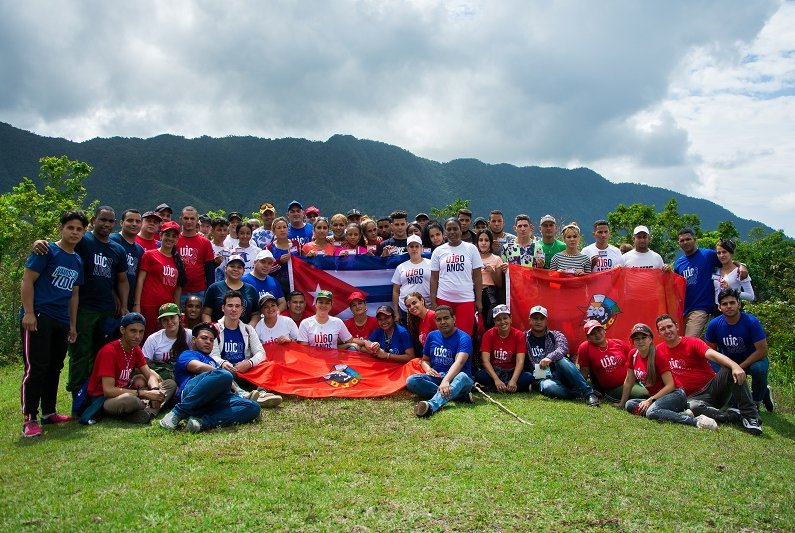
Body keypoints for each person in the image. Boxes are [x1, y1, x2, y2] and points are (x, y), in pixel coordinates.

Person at [32, 206, 129, 414]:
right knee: (80, 354)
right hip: (83, 307)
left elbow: (121, 279)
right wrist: (38, 243)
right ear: (94, 220)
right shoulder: (83, 241)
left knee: (101, 354)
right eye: (102, 220)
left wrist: (125, 304)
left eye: (110, 221)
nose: (106, 224)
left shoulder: (117, 249)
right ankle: (76, 397)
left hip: (106, 310)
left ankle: (94, 395)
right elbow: (59, 245)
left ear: (114, 224)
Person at [20, 210, 87, 437]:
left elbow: (74, 294)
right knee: (36, 367)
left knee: (54, 367)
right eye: (71, 227)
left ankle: (49, 413)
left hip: (61, 319)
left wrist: (72, 324)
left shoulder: (77, 259)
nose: (75, 232)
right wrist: (29, 312)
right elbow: (28, 280)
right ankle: (29, 418)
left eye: (79, 229)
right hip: (40, 315)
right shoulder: (47, 250)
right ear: (62, 228)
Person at [655, 314, 762, 435]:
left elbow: (712, 354)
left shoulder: (692, 342)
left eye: (670, 326)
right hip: (692, 398)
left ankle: (751, 416)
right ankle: (732, 416)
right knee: (693, 407)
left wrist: (735, 366)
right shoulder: (658, 351)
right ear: (658, 333)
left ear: (677, 327)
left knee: (729, 369)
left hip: (713, 389)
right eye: (662, 329)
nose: (667, 331)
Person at [159, 322, 262, 433]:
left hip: (216, 400)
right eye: (204, 338)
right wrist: (226, 379)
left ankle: (201, 423)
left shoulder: (214, 361)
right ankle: (177, 414)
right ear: (194, 339)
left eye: (211, 340)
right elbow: (197, 367)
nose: (208, 342)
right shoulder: (187, 354)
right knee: (225, 375)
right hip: (192, 393)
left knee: (253, 407)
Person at [617, 323, 717, 430]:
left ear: (650, 339)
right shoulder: (633, 354)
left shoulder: (658, 355)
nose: (640, 341)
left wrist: (650, 400)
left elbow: (671, 385)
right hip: (657, 398)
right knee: (630, 404)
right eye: (637, 339)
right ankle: (678, 413)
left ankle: (695, 421)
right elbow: (629, 381)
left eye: (643, 337)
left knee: (651, 412)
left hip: (675, 394)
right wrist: (621, 403)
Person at [85, 313, 176, 424]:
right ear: (122, 330)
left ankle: (147, 412)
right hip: (107, 399)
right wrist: (144, 394)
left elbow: (149, 374)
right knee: (129, 400)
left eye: (141, 331)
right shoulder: (109, 352)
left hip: (130, 390)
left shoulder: (135, 348)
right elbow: (108, 391)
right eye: (133, 331)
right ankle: (148, 408)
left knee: (170, 384)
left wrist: (154, 390)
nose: (137, 336)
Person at [705, 289, 772, 412]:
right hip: (728, 361)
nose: (729, 306)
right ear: (720, 307)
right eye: (725, 304)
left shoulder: (751, 322)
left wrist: (739, 367)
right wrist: (728, 366)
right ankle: (728, 397)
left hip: (753, 360)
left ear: (739, 305)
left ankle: (757, 400)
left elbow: (762, 351)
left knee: (758, 370)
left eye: (732, 303)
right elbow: (710, 351)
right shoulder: (714, 324)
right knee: (733, 403)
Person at [406, 306, 474, 417]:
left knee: (461, 376)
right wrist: (428, 369)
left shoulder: (464, 337)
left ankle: (431, 406)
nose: (443, 322)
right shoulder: (432, 336)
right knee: (411, 381)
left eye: (446, 318)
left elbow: (459, 362)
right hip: (438, 377)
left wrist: (446, 381)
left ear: (454, 319)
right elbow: (425, 360)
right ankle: (459, 396)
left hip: (460, 379)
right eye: (439, 319)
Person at [524, 305, 600, 405]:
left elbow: (562, 349)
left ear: (546, 321)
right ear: (530, 320)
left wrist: (549, 357)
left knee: (562, 360)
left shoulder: (556, 335)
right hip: (540, 376)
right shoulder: (523, 337)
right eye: (535, 318)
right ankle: (578, 394)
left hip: (560, 373)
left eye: (542, 319)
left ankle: (589, 394)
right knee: (548, 387)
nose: (538, 322)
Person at [430, 217, 483, 337]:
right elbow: (434, 278)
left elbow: (478, 276)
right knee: (445, 334)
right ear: (445, 232)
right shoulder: (438, 251)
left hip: (465, 300)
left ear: (461, 230)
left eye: (455, 229)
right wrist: (433, 301)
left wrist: (478, 300)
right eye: (449, 229)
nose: (452, 232)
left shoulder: (471, 249)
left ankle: (465, 356)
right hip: (444, 299)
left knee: (465, 336)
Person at [133, 220, 186, 337]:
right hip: (148, 304)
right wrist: (137, 304)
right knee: (146, 336)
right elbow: (140, 280)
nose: (170, 239)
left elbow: (178, 289)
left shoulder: (178, 261)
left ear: (177, 240)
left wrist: (176, 312)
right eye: (167, 235)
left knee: (164, 338)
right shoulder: (150, 255)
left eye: (174, 236)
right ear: (161, 236)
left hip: (166, 308)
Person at [674, 228, 731, 337]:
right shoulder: (679, 263)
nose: (685, 242)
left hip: (701, 308)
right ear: (678, 243)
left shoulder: (708, 255)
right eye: (682, 240)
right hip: (683, 310)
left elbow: (727, 261)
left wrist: (741, 266)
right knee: (681, 342)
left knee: (689, 341)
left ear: (695, 239)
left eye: (688, 239)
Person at [209, 291, 267, 391]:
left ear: (242, 309)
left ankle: (261, 393)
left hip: (246, 370)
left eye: (237, 306)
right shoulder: (214, 329)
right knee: (222, 374)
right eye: (230, 306)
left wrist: (249, 363)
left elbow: (261, 353)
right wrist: (223, 363)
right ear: (223, 308)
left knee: (269, 366)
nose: (234, 309)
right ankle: (241, 393)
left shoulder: (248, 329)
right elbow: (213, 355)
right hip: (227, 370)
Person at [577, 320, 647, 401]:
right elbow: (584, 372)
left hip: (634, 380)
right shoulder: (585, 348)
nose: (597, 335)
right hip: (615, 388)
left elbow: (636, 360)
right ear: (588, 338)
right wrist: (582, 392)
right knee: (644, 394)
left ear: (604, 330)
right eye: (592, 334)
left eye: (599, 330)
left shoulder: (618, 343)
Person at [473, 305, 532, 393]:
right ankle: (506, 387)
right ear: (494, 322)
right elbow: (485, 360)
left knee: (528, 377)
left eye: (505, 318)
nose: (502, 322)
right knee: (479, 375)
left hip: (512, 371)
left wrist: (513, 380)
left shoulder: (519, 335)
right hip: (495, 371)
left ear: (510, 319)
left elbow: (520, 361)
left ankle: (499, 387)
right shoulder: (488, 335)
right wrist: (496, 379)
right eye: (498, 320)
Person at [141, 303, 192, 380]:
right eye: (165, 319)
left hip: (185, 374)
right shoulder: (153, 339)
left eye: (172, 317)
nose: (169, 322)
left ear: (180, 318)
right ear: (161, 322)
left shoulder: (189, 334)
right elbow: (143, 364)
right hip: (162, 377)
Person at [202, 255, 259, 324]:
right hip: (219, 332)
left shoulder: (251, 289)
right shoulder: (214, 288)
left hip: (244, 332)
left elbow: (256, 314)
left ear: (243, 271)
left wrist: (250, 328)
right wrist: (211, 329)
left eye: (239, 267)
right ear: (226, 268)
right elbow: (206, 313)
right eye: (232, 266)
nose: (235, 269)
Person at [176, 206, 215, 305]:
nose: (189, 221)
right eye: (186, 218)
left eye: (192, 218)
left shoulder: (205, 242)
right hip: (177, 290)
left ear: (197, 220)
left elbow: (210, 270)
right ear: (181, 219)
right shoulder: (174, 240)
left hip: (199, 290)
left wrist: (210, 293)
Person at [110, 209, 145, 311]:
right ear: (121, 223)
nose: (134, 224)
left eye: (138, 221)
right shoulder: (112, 241)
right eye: (130, 220)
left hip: (128, 301)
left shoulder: (139, 250)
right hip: (110, 299)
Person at [392, 235, 431, 324]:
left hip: (426, 307)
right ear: (407, 248)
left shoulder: (431, 264)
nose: (414, 249)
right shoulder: (401, 267)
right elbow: (395, 290)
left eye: (417, 246)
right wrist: (396, 311)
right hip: (406, 310)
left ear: (421, 248)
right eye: (411, 246)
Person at [476, 229, 506, 330]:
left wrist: (492, 272)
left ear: (490, 243)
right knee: (474, 323)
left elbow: (499, 284)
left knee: (489, 321)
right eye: (480, 240)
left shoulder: (496, 259)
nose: (483, 243)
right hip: (473, 292)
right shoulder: (471, 258)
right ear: (477, 242)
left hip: (490, 293)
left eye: (486, 240)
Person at [714, 238, 755, 304]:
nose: (721, 255)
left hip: (731, 309)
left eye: (724, 252)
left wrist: (731, 290)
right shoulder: (716, 270)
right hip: (716, 310)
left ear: (731, 253)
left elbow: (751, 296)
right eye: (719, 253)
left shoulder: (740, 272)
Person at [266, 216, 297, 296]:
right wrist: (279, 262)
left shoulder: (297, 245)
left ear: (288, 229)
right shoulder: (268, 248)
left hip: (296, 285)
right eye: (279, 228)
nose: (282, 230)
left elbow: (304, 262)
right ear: (274, 231)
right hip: (277, 287)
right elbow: (266, 269)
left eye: (284, 227)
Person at [209, 217, 230, 282]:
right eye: (219, 230)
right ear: (212, 231)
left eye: (225, 230)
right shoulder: (207, 247)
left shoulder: (229, 251)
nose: (222, 233)